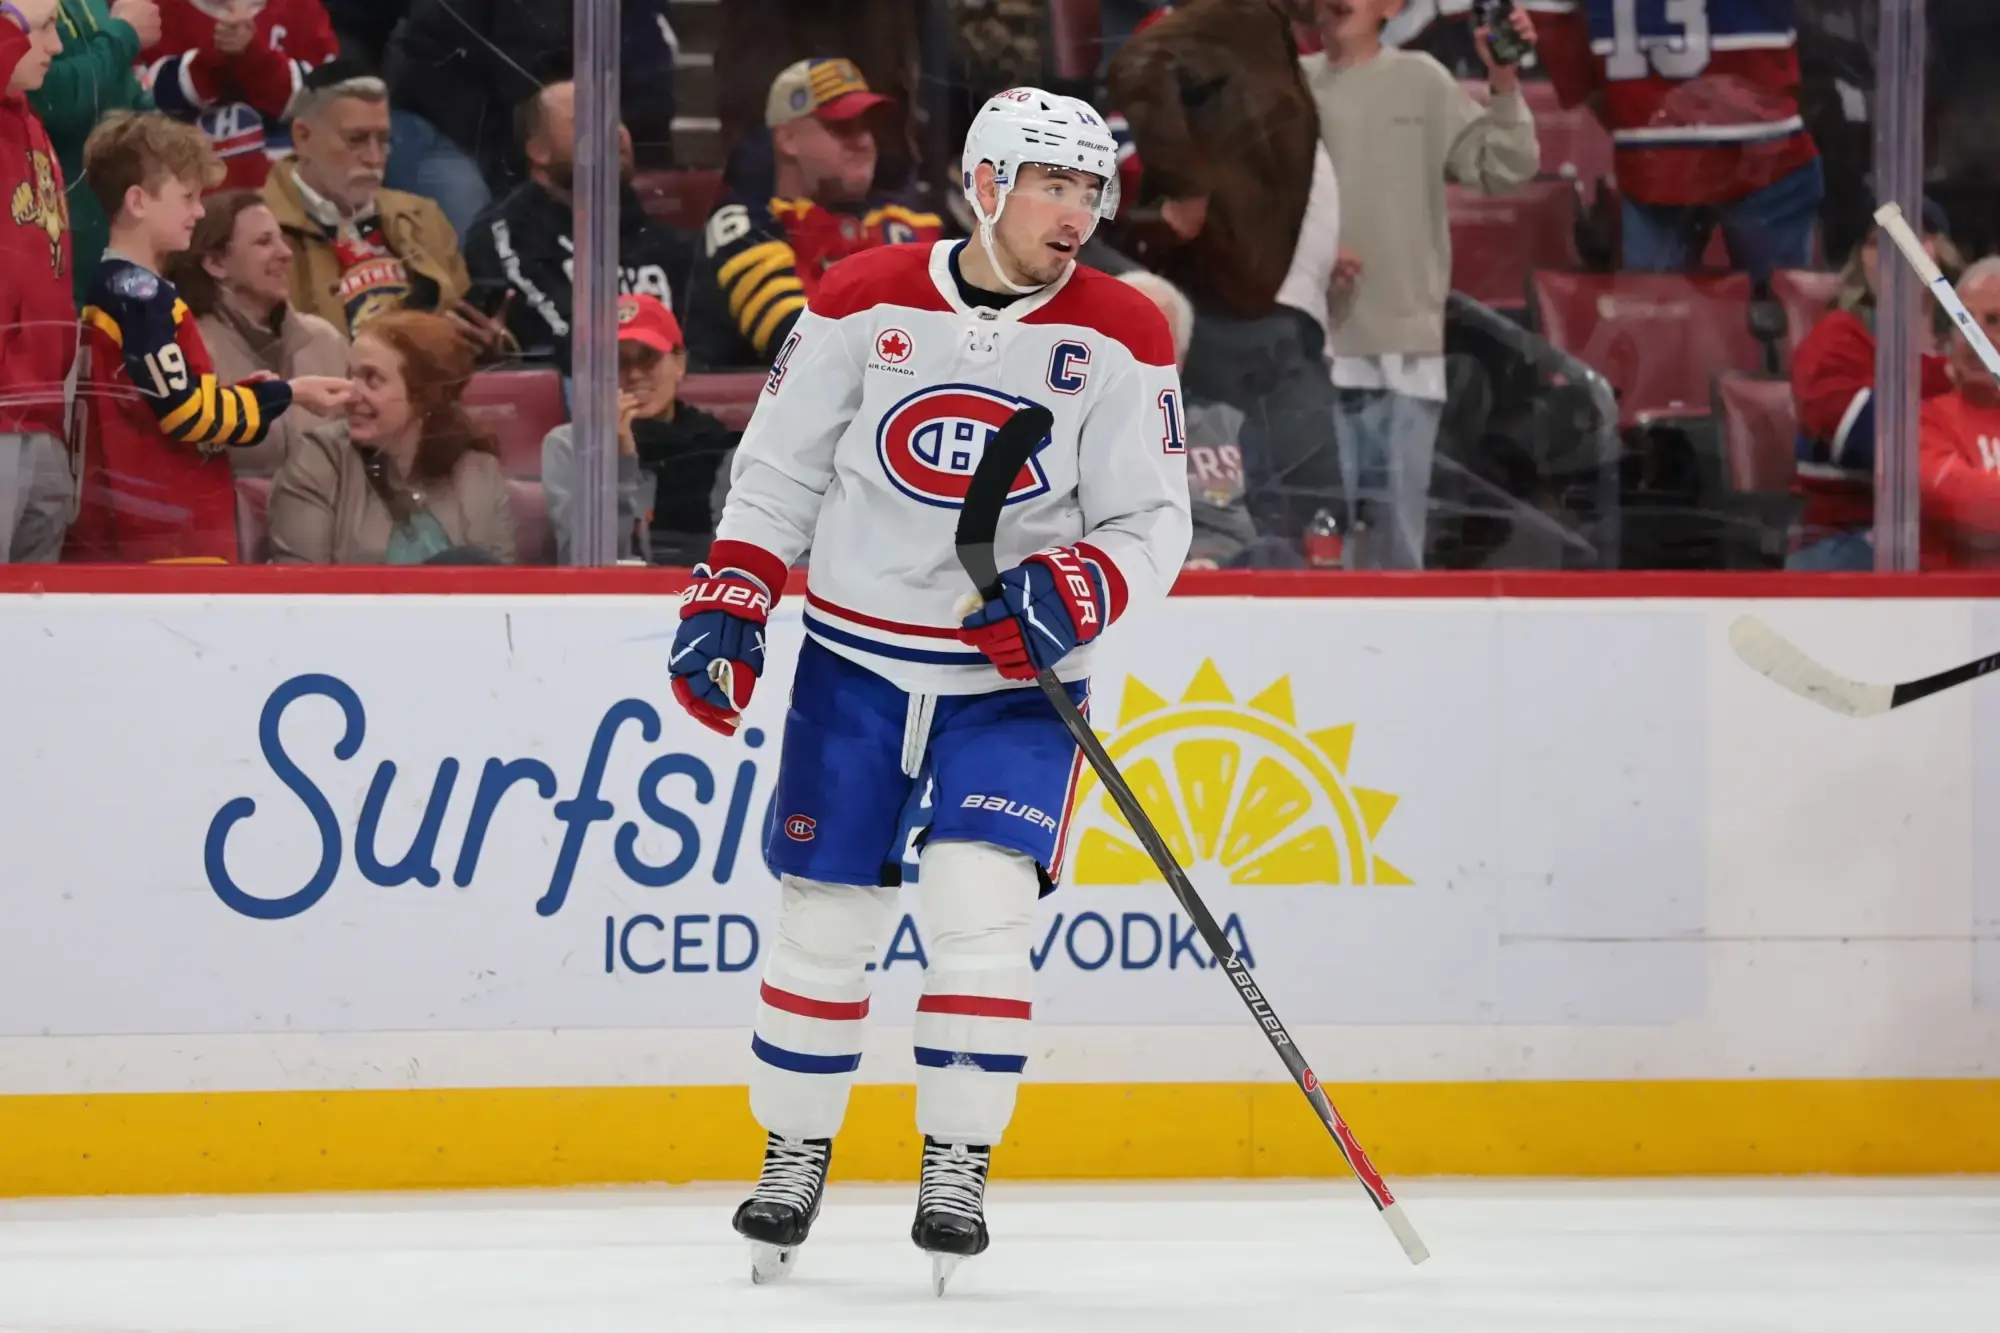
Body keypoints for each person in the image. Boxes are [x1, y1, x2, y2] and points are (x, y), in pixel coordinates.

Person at [670, 89, 1189, 1288]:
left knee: (978, 911)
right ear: (986, 183)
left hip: (1010, 688)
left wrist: (1074, 591)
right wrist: (733, 599)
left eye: (1091, 190)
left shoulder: (1119, 331)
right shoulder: (859, 295)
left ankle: (955, 1163)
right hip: (854, 661)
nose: (1078, 212)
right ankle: (792, 1152)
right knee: (824, 923)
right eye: (1054, 185)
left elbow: (1150, 520)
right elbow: (776, 471)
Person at [1304, 0, 1540, 570]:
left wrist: (1503, 77)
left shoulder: (1422, 80)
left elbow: (1505, 164)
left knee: (1396, 551)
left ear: (1393, 7)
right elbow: (1251, 204)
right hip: (1304, 353)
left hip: (1402, 349)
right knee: (1308, 550)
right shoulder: (1286, 87)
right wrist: (1310, 249)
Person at [1104, 0, 1342, 541]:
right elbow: (1135, 99)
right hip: (1225, 315)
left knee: (1309, 514)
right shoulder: (1195, 27)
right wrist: (1183, 192)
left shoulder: (1265, 36)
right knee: (1239, 508)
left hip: (1286, 315)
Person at [66, 112, 351, 562]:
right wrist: (285, 393)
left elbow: (166, 402)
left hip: (144, 527)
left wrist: (249, 393)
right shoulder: (139, 297)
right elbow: (187, 414)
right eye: (188, 197)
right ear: (138, 201)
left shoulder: (120, 290)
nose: (199, 212)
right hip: (161, 535)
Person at [685, 58, 942, 369]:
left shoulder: (904, 222)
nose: (863, 141)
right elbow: (799, 344)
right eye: (842, 127)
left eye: (866, 125)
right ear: (787, 139)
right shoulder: (741, 226)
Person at [1535, 0, 1822, 276]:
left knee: (1656, 316)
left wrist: (1596, 95)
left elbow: (1544, 11)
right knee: (1783, 313)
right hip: (1764, 147)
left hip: (1653, 152)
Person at [263, 61, 507, 356]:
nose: (374, 158)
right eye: (357, 140)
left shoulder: (423, 215)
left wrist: (490, 343)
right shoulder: (257, 226)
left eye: (384, 139)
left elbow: (464, 326)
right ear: (303, 137)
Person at [381, 0, 680, 236]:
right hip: (435, 124)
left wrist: (649, 150)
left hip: (546, 125)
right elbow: (356, 24)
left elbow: (644, 54)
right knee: (466, 208)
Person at [462, 80, 695, 367]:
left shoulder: (666, 241)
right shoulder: (507, 236)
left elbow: (708, 342)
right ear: (538, 151)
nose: (614, 131)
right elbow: (569, 344)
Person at [268, 309, 514, 564]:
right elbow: (301, 588)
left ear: (424, 395)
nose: (351, 394)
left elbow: (505, 593)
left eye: (372, 379)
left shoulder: (479, 469)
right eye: (350, 376)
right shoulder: (318, 459)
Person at [1790, 208, 1960, 571]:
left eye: (1912, 237)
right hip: (1847, 539)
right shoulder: (1837, 338)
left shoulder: (1971, 352)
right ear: (1861, 261)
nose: (1893, 250)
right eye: (1875, 242)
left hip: (1951, 537)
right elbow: (1871, 439)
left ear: (1942, 255)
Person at [1121, 270, 1298, 569]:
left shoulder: (1232, 427)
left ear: (1181, 357)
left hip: (1232, 591)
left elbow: (1278, 527)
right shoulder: (1066, 435)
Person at [541, 295, 736, 566]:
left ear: (679, 364)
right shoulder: (570, 445)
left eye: (648, 357)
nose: (633, 375)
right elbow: (584, 562)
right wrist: (620, 461)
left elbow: (730, 558)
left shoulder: (720, 446)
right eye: (618, 361)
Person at [167, 189, 349, 477]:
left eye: (280, 239)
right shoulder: (191, 351)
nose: (286, 254)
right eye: (264, 242)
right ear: (216, 264)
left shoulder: (325, 340)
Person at [1, 0, 78, 564]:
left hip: (43, 405)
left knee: (35, 617)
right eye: (45, 27)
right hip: (2, 407)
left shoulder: (29, 123)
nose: (55, 46)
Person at [28, 0, 157, 304]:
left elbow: (121, 90)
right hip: (54, 243)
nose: (55, 45)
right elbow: (48, 98)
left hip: (118, 229)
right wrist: (124, 34)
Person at [146, 0, 338, 191]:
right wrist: (212, 57)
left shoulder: (301, 9)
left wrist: (254, 55)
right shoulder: (153, 9)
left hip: (285, 194)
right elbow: (147, 107)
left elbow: (322, 104)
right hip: (179, 189)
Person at [1917, 259, 2000, 570]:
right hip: (1955, 609)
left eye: (1993, 320)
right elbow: (1961, 503)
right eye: (1963, 320)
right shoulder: (1925, 420)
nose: (1973, 336)